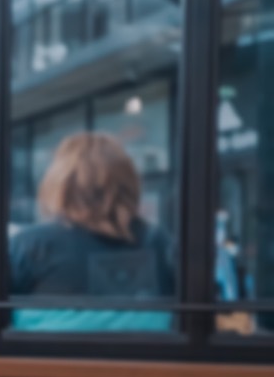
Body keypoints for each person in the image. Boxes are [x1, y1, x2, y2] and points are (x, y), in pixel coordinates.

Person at [9, 131, 174, 331]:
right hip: (145, 351)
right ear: (129, 183)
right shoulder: (159, 244)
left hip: (46, 351)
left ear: (60, 183)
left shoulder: (30, 246)